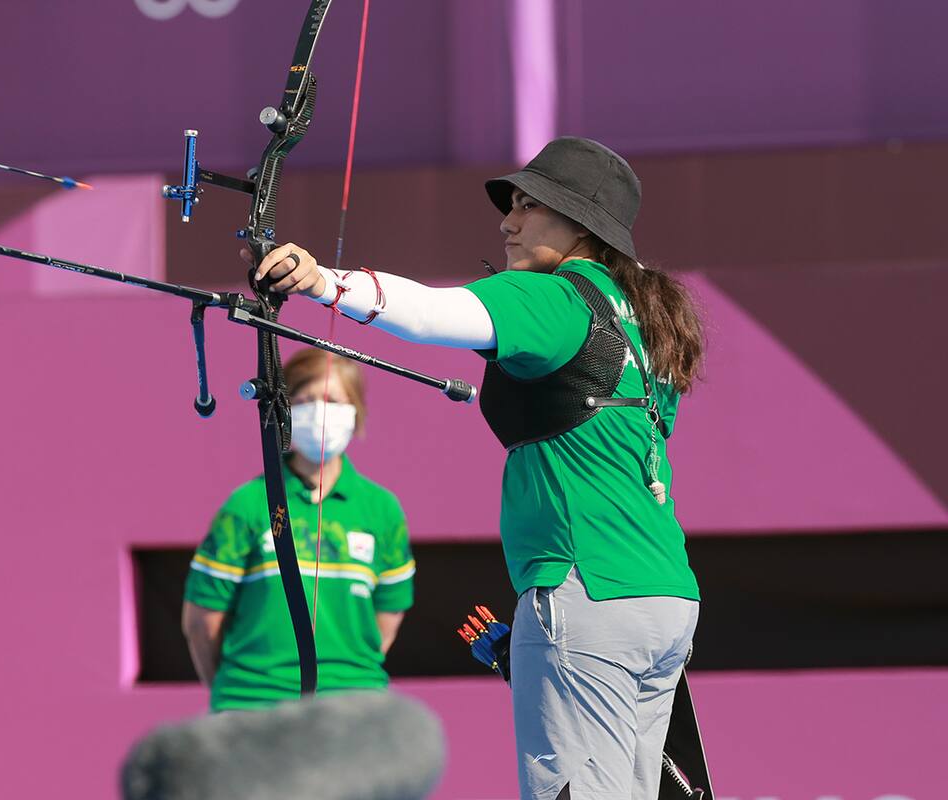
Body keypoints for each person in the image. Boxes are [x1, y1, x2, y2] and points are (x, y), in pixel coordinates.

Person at [249, 137, 705, 800]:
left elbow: (434, 314)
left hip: (588, 589)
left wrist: (323, 284)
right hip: (663, 598)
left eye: (530, 207)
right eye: (512, 205)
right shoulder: (643, 318)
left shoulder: (558, 300)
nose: (508, 221)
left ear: (582, 226)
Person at [182, 348, 415, 711]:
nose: (320, 412)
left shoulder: (383, 509)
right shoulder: (246, 504)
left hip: (355, 709)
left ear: (355, 411)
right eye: (304, 399)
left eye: (332, 400)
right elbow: (201, 621)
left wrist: (345, 678)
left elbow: (389, 616)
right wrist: (239, 693)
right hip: (254, 705)